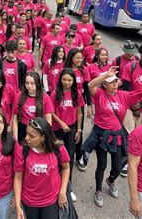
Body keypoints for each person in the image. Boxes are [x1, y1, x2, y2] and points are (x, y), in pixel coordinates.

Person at [85, 66, 142, 208]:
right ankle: (98, 190)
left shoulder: (123, 95)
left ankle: (111, 180)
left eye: (116, 81)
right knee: (102, 165)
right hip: (101, 135)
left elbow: (140, 93)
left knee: (118, 167)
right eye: (111, 82)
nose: (115, 84)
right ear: (105, 84)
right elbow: (90, 85)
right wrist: (106, 74)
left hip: (117, 136)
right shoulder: (99, 93)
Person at [13, 117, 70, 219]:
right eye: (26, 133)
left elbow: (66, 168)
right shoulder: (22, 151)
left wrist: (62, 192)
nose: (26, 138)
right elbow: (18, 177)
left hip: (51, 200)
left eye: (32, 136)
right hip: (29, 201)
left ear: (43, 137)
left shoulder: (59, 149)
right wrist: (18, 205)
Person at [51, 68, 84, 202]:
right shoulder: (55, 93)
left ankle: (68, 188)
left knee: (69, 158)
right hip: (57, 129)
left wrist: (79, 130)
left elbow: (79, 113)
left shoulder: (77, 93)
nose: (67, 82)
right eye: (64, 79)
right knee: (56, 157)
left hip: (71, 129)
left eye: (70, 80)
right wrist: (61, 123)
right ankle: (54, 184)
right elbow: (51, 111)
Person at [65, 48, 92, 171]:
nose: (80, 60)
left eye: (81, 58)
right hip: (66, 103)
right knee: (66, 128)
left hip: (79, 103)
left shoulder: (84, 70)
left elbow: (87, 88)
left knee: (78, 129)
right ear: (71, 58)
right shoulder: (65, 71)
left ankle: (79, 155)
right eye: (77, 58)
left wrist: (89, 105)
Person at [12, 71, 54, 143]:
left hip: (38, 129)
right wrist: (15, 140)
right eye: (27, 83)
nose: (29, 86)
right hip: (23, 130)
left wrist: (43, 135)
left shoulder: (45, 97)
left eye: (32, 83)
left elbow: (49, 121)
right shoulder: (19, 97)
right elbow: (15, 120)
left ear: (37, 84)